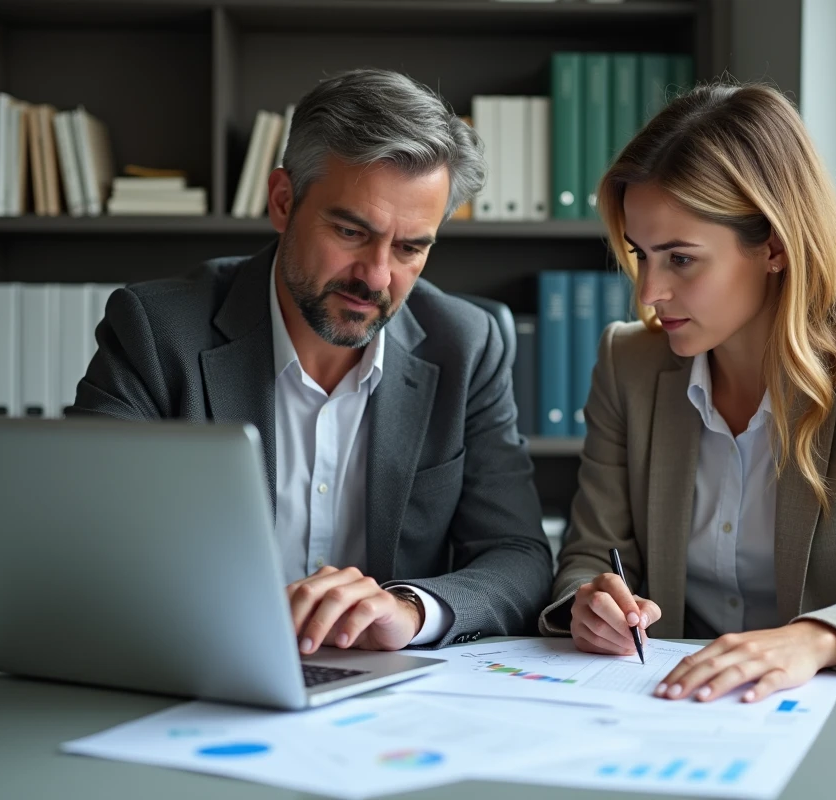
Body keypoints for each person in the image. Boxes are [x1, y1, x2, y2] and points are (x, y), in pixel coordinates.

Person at [539, 82, 836, 703]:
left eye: (681, 259)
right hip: (668, 707)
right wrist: (591, 602)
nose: (649, 292)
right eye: (641, 254)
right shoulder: (627, 361)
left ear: (772, 246)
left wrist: (815, 639)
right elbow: (587, 554)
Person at [73, 69, 553, 655]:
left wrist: (409, 609)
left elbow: (519, 556)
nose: (376, 277)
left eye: (410, 248)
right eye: (351, 231)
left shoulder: (467, 344)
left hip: (383, 695)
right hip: (200, 665)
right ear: (282, 201)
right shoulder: (154, 330)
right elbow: (88, 538)